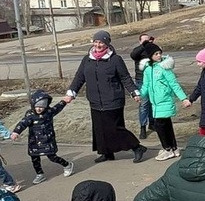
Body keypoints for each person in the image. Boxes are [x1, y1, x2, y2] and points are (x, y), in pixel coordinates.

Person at [62, 30, 147, 164]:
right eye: (96, 42)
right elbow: (79, 77)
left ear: (107, 44)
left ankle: (137, 147)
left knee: (114, 129)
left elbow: (125, 77)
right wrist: (71, 93)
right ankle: (106, 153)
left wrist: (134, 92)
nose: (98, 45)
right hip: (95, 100)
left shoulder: (115, 59)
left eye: (101, 42)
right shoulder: (87, 59)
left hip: (113, 99)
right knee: (99, 129)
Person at [138, 42, 188, 161]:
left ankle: (167, 149)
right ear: (150, 56)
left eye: (160, 53)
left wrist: (184, 98)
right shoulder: (148, 69)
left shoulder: (164, 68)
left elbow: (174, 84)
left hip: (165, 101)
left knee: (160, 126)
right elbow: (146, 85)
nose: (159, 56)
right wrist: (140, 95)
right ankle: (173, 148)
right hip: (155, 103)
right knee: (166, 125)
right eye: (156, 54)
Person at [11, 90, 73, 184]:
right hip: (34, 141)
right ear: (33, 105)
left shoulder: (49, 112)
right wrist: (16, 132)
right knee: (35, 158)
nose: (39, 109)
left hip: (47, 140)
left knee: (52, 157)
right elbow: (23, 123)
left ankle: (67, 165)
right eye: (37, 106)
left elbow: (57, 107)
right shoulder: (30, 115)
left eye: (42, 107)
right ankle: (40, 174)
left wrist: (64, 101)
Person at [129, 33, 156, 139]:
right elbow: (133, 55)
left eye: (147, 40)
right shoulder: (138, 51)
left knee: (153, 102)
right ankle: (143, 127)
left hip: (153, 80)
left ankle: (152, 123)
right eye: (144, 40)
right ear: (140, 41)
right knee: (144, 104)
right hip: (141, 80)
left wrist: (152, 46)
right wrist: (144, 45)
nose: (146, 42)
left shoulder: (152, 50)